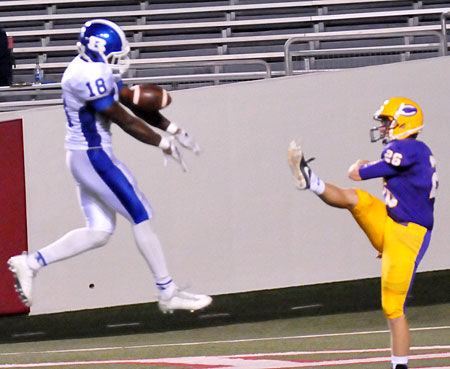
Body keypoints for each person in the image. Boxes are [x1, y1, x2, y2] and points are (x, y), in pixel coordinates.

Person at [7, 19, 212, 313]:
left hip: (86, 157)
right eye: (116, 54)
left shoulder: (92, 67)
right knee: (140, 214)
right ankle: (167, 291)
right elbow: (124, 120)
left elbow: (130, 100)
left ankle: (31, 263)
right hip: (93, 157)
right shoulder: (83, 75)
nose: (119, 61)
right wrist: (162, 144)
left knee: (100, 231)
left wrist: (173, 129)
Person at [287, 97, 438, 369]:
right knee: (355, 200)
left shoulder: (408, 148)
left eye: (386, 121)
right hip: (392, 223)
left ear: (403, 122)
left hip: (408, 237)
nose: (382, 127)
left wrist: (359, 166)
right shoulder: (411, 150)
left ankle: (400, 367)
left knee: (393, 309)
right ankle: (311, 180)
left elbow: (357, 173)